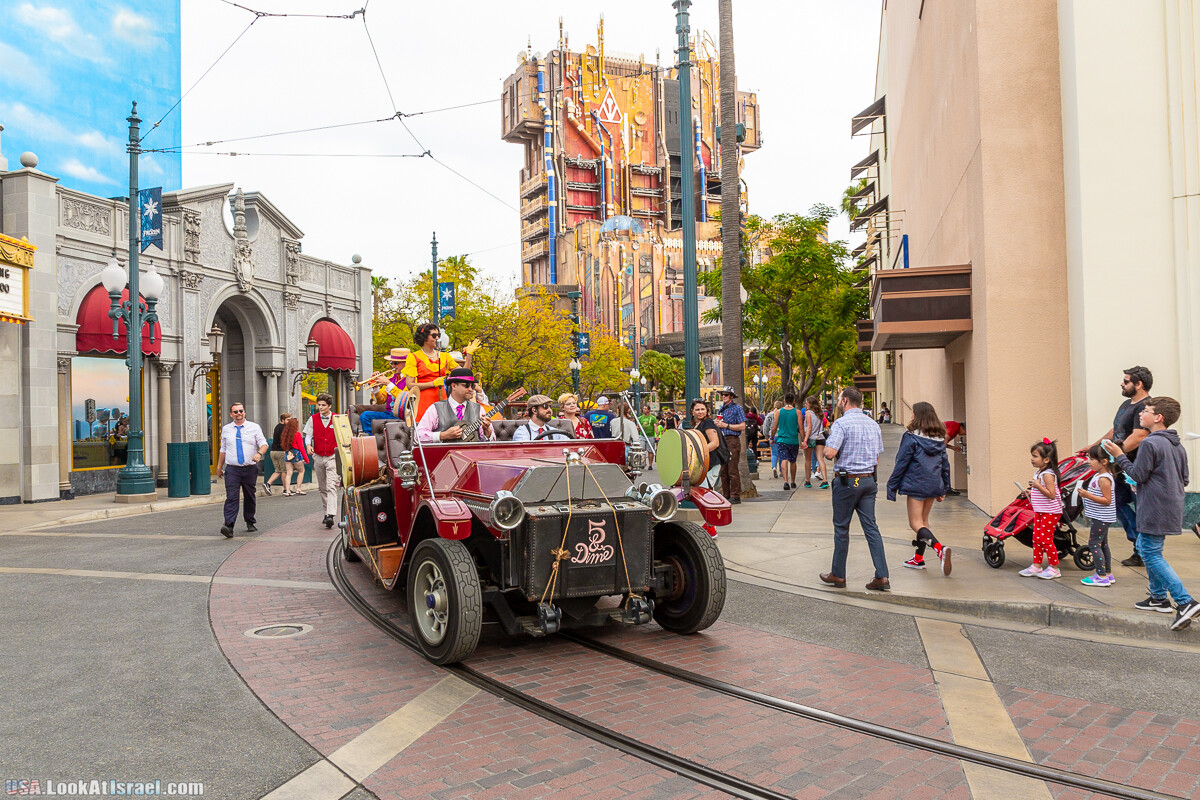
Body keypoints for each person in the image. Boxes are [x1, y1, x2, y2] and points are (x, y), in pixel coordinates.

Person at [1104, 397, 1199, 630]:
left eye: (1146, 410)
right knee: (1151, 548)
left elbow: (1137, 474)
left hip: (1154, 506)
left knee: (1149, 552)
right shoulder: (1177, 444)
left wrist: (1119, 454)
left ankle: (1185, 601)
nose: (1140, 414)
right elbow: (1182, 478)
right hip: (1171, 505)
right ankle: (1158, 597)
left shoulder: (1149, 443)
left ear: (1158, 418)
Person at [819, 388, 889, 591]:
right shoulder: (873, 424)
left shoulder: (841, 423)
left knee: (842, 528)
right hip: (868, 481)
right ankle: (882, 575)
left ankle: (838, 574)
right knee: (871, 528)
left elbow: (830, 453)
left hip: (847, 482)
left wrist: (825, 447)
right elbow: (876, 457)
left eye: (839, 399)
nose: (839, 402)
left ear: (846, 401)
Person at [1091, 366, 1153, 567]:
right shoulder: (1126, 404)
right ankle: (1138, 544)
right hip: (1119, 467)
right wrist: (1094, 447)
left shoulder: (1146, 407)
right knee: (1116, 502)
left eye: (1126, 381)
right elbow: (1115, 430)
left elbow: (1139, 436)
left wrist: (1114, 454)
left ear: (1138, 384)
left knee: (1141, 508)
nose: (1121, 383)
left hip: (1135, 468)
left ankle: (1143, 550)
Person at [887, 401, 952, 576]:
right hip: (933, 484)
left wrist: (892, 486)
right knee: (924, 522)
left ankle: (940, 548)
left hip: (916, 483)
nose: (911, 416)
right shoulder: (939, 439)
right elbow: (945, 465)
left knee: (915, 523)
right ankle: (918, 558)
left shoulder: (911, 437)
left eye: (913, 413)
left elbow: (901, 462)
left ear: (918, 416)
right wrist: (944, 487)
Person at [216, 402, 268, 538]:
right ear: (231, 414)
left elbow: (264, 444)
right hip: (232, 469)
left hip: (249, 468)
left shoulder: (254, 427)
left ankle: (250, 521)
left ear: (244, 412)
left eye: (240, 411)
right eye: (235, 412)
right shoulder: (227, 429)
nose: (238, 414)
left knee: (249, 496)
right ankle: (228, 526)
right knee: (231, 497)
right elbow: (223, 449)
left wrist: (259, 453)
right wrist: (219, 467)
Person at [1018, 439, 1063, 580]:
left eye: (1035, 456)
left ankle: (1054, 567)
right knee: (1036, 538)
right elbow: (1042, 492)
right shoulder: (1039, 473)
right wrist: (1031, 492)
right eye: (1032, 455)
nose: (1032, 459)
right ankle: (1036, 565)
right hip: (1040, 510)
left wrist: (1038, 486)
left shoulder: (1048, 474)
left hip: (1050, 511)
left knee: (1046, 539)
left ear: (1046, 459)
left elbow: (1051, 494)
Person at [415, 368, 494, 442]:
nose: (470, 389)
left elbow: (492, 441)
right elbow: (418, 436)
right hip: (445, 455)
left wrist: (487, 430)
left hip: (472, 455)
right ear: (454, 386)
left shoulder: (479, 409)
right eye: (466, 385)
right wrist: (442, 435)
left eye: (472, 386)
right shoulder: (435, 408)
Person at [1077, 443, 1117, 587]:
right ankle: (1107, 574)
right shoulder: (1099, 475)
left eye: (1092, 459)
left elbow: (1107, 500)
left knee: (1094, 544)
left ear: (1104, 461)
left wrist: (1087, 495)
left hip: (1101, 517)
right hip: (1099, 516)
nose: (1089, 461)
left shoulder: (1104, 479)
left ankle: (1101, 576)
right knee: (1103, 544)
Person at [404, 323, 457, 425]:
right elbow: (410, 385)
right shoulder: (413, 357)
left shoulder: (445, 356)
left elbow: (463, 374)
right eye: (434, 336)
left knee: (444, 429)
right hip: (423, 401)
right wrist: (432, 384)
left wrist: (469, 355)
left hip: (441, 399)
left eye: (438, 336)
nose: (437, 338)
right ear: (424, 337)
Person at [303, 392, 341, 529]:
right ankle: (326, 513)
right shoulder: (313, 418)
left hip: (332, 456)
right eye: (319, 405)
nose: (320, 407)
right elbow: (308, 435)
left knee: (331, 486)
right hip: (318, 456)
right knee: (322, 487)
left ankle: (331, 514)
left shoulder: (337, 418)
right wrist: (308, 445)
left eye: (323, 405)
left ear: (329, 406)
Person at [358, 347, 412, 435]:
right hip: (389, 414)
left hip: (403, 415)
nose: (393, 366)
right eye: (391, 363)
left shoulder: (411, 378)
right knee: (365, 416)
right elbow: (380, 401)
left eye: (395, 363)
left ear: (406, 363)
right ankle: (372, 440)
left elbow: (404, 399)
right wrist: (376, 388)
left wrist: (388, 383)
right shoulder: (391, 378)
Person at [714, 386, 746, 504]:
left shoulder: (738, 409)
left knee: (732, 469)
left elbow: (742, 426)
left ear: (731, 396)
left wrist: (726, 425)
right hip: (722, 440)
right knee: (723, 470)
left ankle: (735, 495)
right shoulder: (721, 409)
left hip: (732, 440)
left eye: (726, 395)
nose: (723, 397)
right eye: (722, 394)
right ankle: (726, 494)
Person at [689, 399, 725, 490]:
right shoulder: (696, 424)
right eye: (697, 410)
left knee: (705, 490)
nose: (700, 412)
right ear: (692, 411)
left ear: (707, 410)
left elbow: (715, 443)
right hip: (703, 463)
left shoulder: (707, 422)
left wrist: (697, 451)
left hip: (711, 462)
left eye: (702, 409)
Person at [776, 394, 800, 490]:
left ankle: (786, 481)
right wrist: (804, 440)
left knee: (783, 459)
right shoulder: (797, 412)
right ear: (794, 401)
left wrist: (772, 438)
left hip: (782, 439)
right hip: (793, 440)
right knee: (793, 461)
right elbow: (801, 427)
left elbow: (774, 426)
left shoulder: (778, 412)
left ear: (785, 400)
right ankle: (793, 481)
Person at [280, 415, 308, 496]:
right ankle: (298, 489)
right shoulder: (297, 434)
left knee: (289, 473)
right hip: (296, 454)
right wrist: (306, 459)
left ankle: (287, 490)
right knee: (301, 471)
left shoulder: (285, 435)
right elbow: (302, 448)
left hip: (288, 453)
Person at [806, 396, 830, 489]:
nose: (805, 404)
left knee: (808, 460)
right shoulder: (820, 413)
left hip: (811, 438)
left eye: (807, 402)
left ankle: (808, 481)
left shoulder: (808, 413)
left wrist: (805, 439)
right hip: (820, 437)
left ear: (810, 404)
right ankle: (825, 480)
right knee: (820, 459)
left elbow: (809, 427)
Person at [265, 412, 290, 495]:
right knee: (284, 471)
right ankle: (286, 489)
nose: (289, 421)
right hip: (281, 452)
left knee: (278, 470)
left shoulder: (277, 427)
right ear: (283, 420)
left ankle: (268, 484)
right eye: (288, 420)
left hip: (273, 451)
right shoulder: (284, 428)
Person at [943, 420, 965, 495]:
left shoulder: (955, 428)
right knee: (945, 466)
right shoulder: (955, 427)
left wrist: (952, 447)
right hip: (936, 448)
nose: (964, 435)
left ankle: (946, 488)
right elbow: (945, 438)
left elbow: (943, 441)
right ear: (962, 428)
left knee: (944, 467)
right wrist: (942, 451)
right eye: (965, 432)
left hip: (935, 446)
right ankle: (946, 489)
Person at [764, 401, 782, 479]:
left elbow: (766, 426)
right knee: (782, 454)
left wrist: (766, 435)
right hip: (781, 436)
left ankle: (774, 467)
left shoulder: (770, 415)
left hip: (772, 436)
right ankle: (782, 470)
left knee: (774, 454)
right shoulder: (782, 415)